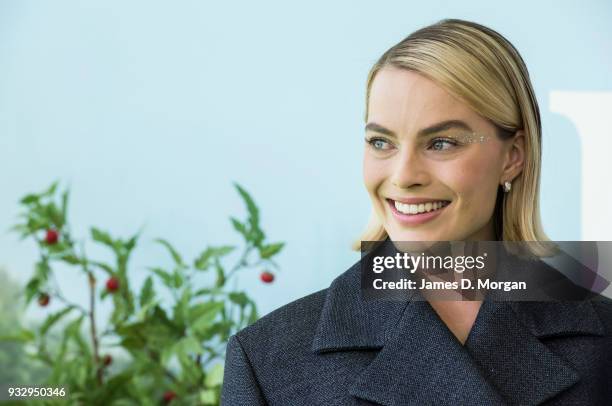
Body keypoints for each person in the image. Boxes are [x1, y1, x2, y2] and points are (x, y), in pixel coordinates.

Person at [221, 19, 612, 405]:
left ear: (513, 157)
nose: (404, 175)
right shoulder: (268, 362)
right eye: (381, 142)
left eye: (441, 143)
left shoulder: (603, 342)